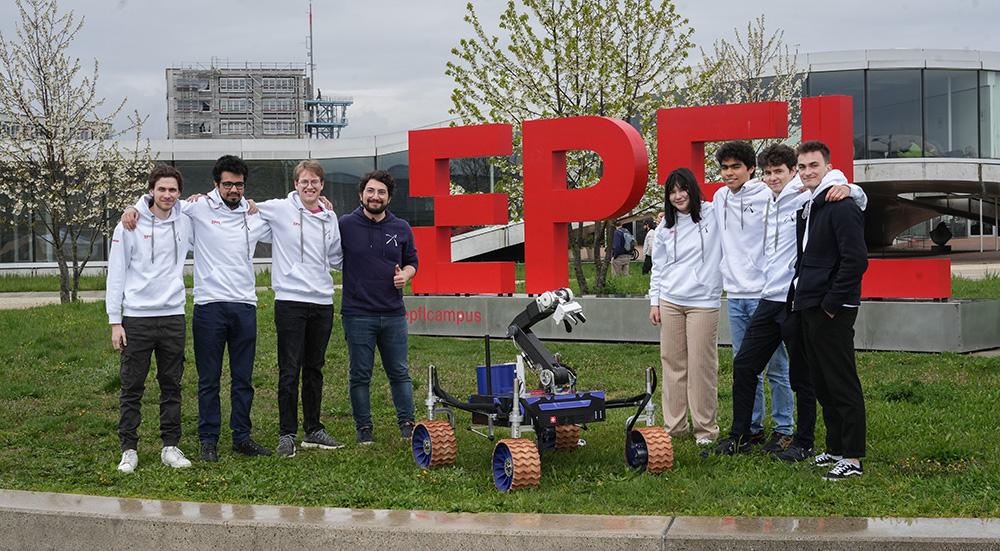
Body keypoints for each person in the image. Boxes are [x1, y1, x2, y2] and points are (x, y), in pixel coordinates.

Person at [704, 144, 866, 462]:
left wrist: (849, 187)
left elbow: (845, 190)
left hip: (796, 300)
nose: (773, 177)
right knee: (745, 365)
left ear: (792, 172)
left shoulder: (807, 195)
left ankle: (802, 441)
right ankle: (742, 435)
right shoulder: (766, 196)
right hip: (768, 297)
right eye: (768, 172)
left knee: (801, 375)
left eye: (780, 171)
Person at [125, 155, 273, 460]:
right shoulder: (197, 208)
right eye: (228, 184)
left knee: (243, 379)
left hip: (245, 306)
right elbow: (161, 202)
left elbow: (292, 212)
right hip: (209, 307)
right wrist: (133, 207)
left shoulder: (254, 213)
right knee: (209, 379)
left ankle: (242, 438)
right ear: (216, 184)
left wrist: (322, 204)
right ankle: (208, 441)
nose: (234, 189)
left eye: (239, 184)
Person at [789, 140, 869, 481]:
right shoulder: (812, 204)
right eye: (803, 166)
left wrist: (832, 305)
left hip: (832, 308)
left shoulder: (842, 204)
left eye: (814, 166)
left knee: (841, 382)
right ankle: (835, 447)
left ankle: (852, 456)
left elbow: (856, 261)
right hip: (809, 303)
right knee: (822, 381)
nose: (808, 172)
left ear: (827, 167)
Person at [107, 165, 194, 473]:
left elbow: (218, 207)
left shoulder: (186, 221)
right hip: (137, 318)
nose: (167, 195)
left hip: (172, 316)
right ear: (151, 191)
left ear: (179, 193)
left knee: (172, 384)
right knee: (132, 387)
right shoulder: (130, 224)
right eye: (162, 189)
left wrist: (249, 205)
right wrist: (115, 321)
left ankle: (170, 446)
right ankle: (128, 449)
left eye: (172, 190)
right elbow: (116, 273)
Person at [256, 160, 344, 458]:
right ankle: (286, 434)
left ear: (322, 185)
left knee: (314, 368)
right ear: (296, 184)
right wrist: (200, 200)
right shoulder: (280, 209)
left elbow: (336, 258)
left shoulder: (330, 217)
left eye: (315, 182)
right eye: (304, 181)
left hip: (322, 301)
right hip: (290, 301)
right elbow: (245, 206)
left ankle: (313, 429)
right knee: (289, 370)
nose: (310, 187)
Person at [712, 141, 794, 452]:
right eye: (725, 167)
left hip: (765, 295)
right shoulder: (719, 198)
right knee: (744, 367)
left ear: (750, 169)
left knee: (776, 366)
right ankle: (752, 427)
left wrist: (845, 186)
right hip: (735, 296)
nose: (729, 173)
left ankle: (784, 428)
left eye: (735, 167)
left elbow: (810, 186)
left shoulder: (768, 193)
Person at [339, 170, 419, 444]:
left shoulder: (401, 228)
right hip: (357, 313)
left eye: (381, 192)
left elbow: (412, 262)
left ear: (389, 197)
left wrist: (405, 275)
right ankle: (364, 429)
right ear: (361, 194)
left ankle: (408, 424)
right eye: (370, 191)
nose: (375, 196)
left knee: (399, 372)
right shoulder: (345, 224)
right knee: (360, 374)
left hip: (393, 314)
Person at [648, 168, 723, 445]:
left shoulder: (713, 213)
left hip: (703, 303)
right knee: (672, 364)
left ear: (693, 189)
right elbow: (658, 267)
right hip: (670, 301)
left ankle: (705, 429)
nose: (678, 196)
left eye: (683, 189)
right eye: (673, 191)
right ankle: (674, 426)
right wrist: (654, 301)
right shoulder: (664, 226)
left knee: (702, 366)